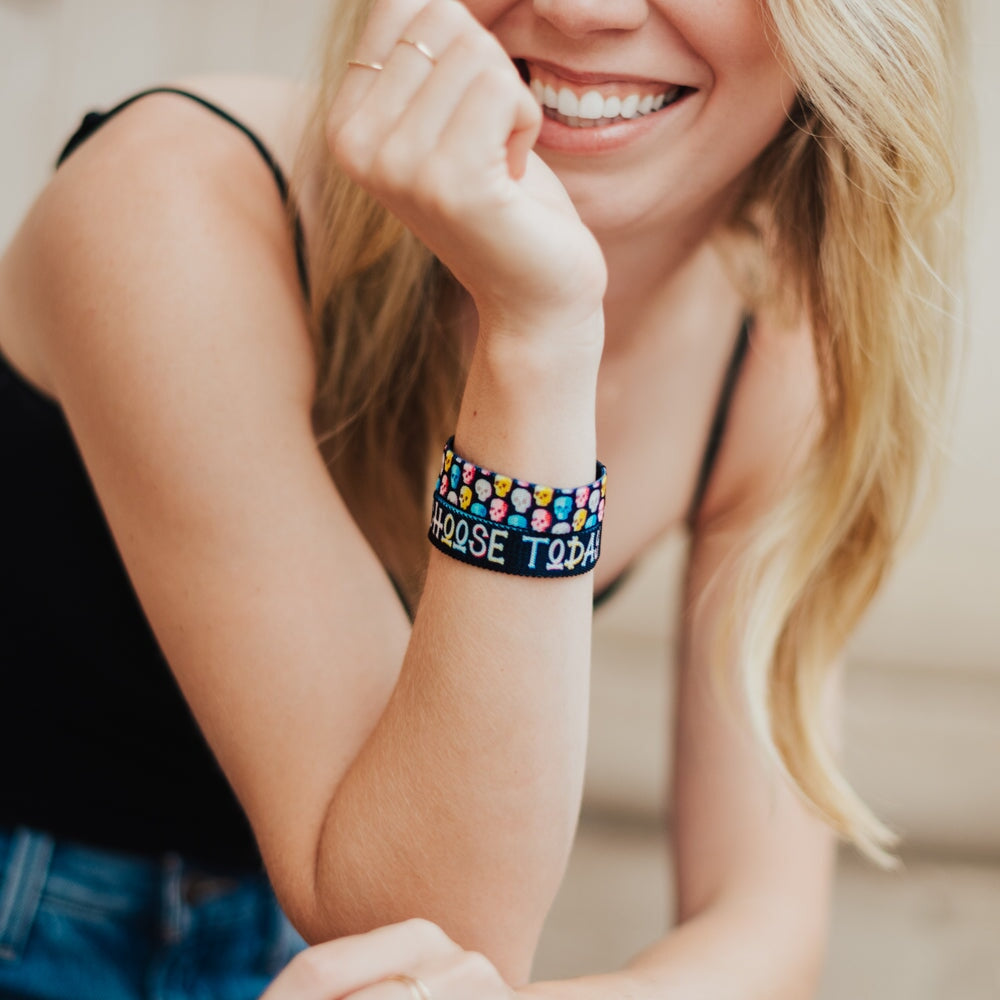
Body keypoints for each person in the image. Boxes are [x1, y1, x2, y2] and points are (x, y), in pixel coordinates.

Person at [0, 0, 963, 996]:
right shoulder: (170, 197)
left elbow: (761, 929)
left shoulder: (771, 335)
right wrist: (537, 338)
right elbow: (418, 918)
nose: (584, 10)